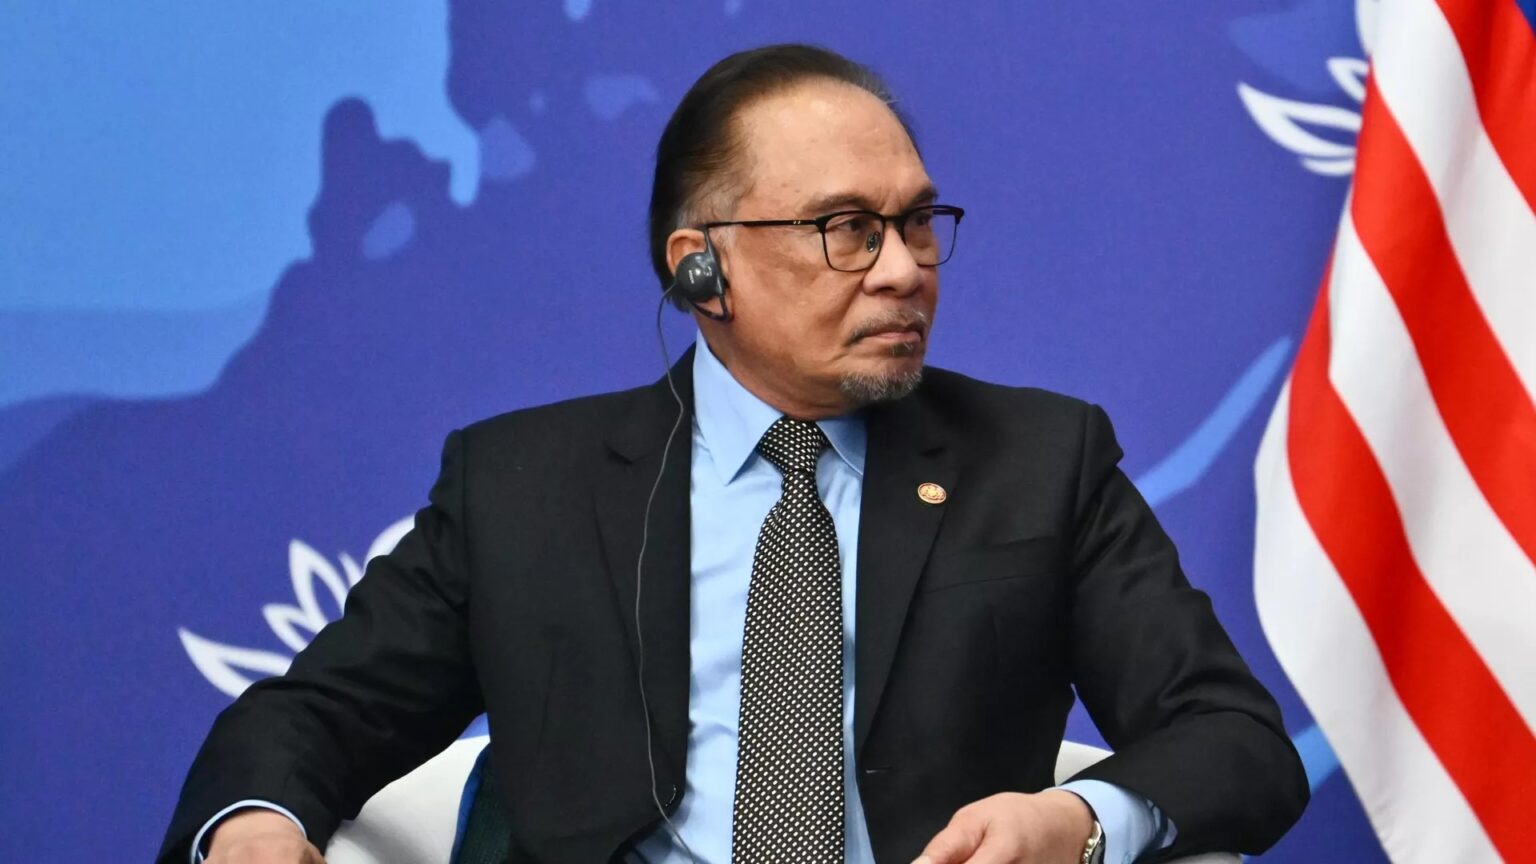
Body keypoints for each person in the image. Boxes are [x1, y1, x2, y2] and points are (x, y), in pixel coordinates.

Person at [160, 44, 1307, 864]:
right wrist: (259, 826)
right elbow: (309, 720)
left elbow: (1235, 740)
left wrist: (1079, 821)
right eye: (847, 229)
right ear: (701, 269)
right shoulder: (519, 487)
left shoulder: (1040, 461)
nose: (905, 269)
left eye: (918, 222)